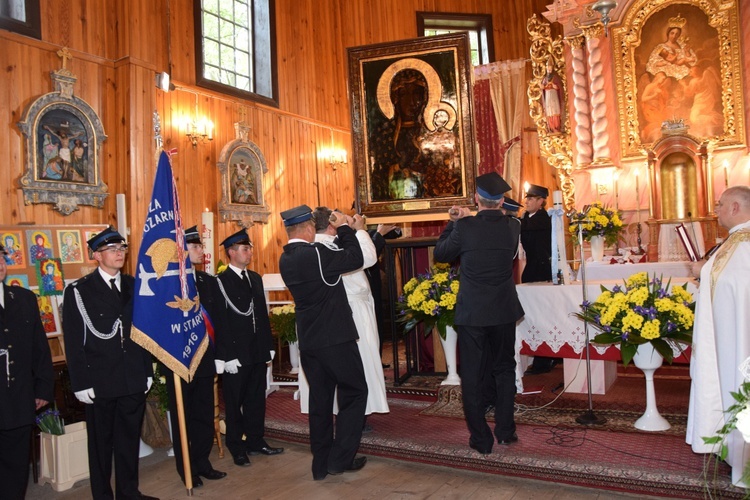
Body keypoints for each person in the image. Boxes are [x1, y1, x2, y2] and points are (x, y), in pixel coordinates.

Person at [62, 227, 158, 500]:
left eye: (122, 249)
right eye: (113, 250)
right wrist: (80, 382)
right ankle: (102, 495)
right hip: (100, 380)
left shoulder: (134, 284)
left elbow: (141, 331)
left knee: (128, 441)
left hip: (132, 377)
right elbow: (74, 340)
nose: (120, 254)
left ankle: (129, 492)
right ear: (96, 255)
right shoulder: (80, 291)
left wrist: (145, 368)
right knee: (101, 445)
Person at [433, 172, 525, 455]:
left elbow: (441, 254)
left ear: (476, 198)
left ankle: (481, 438)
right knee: (504, 368)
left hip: (473, 310)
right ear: (501, 201)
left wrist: (453, 222)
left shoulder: (465, 227)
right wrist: (466, 219)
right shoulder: (513, 226)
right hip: (503, 308)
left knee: (472, 374)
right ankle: (506, 432)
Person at [278, 204, 368, 480]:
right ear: (307, 229)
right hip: (336, 339)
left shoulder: (285, 258)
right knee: (354, 392)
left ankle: (320, 464)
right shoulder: (316, 254)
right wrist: (343, 226)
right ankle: (339, 459)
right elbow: (355, 258)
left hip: (310, 341)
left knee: (320, 401)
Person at [686, 185, 750, 487]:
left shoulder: (743, 242)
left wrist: (703, 270)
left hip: (739, 340)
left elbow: (731, 280)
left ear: (736, 207)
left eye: (721, 205)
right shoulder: (736, 241)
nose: (717, 210)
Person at [160, 225, 226, 488]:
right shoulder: (166, 285)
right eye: (196, 246)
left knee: (202, 416)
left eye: (200, 246)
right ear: (181, 251)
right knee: (182, 417)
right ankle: (186, 468)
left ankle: (202, 462)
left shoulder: (207, 282)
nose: (201, 251)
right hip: (179, 361)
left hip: (204, 359)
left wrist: (219, 354)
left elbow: (218, 321)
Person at [309, 207, 389, 422]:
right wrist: (360, 230)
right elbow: (367, 258)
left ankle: (347, 413)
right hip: (353, 311)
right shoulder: (332, 246)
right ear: (331, 225)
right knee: (360, 361)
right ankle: (357, 415)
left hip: (337, 312)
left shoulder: (312, 247)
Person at [215, 229, 282, 467]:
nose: (250, 253)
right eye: (245, 249)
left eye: (250, 248)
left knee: (256, 399)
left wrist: (268, 346)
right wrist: (226, 356)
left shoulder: (254, 277)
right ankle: (236, 444)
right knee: (234, 402)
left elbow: (261, 316)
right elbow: (220, 321)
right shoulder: (221, 282)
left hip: (256, 350)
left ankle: (256, 440)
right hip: (236, 354)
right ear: (231, 252)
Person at [0, 243, 54, 500]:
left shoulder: (23, 299)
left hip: (19, 399)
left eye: (1, 258)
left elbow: (40, 348)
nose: (0, 264)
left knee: (16, 467)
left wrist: (43, 387)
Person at [520, 184, 557, 376]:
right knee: (532, 316)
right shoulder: (526, 217)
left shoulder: (543, 219)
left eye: (532, 199)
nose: (526, 201)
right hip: (531, 269)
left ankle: (545, 360)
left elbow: (528, 232)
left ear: (541, 201)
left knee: (543, 315)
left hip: (542, 271)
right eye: (526, 198)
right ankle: (538, 355)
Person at [365, 224, 400, 366]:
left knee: (377, 324)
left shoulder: (366, 231)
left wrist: (394, 227)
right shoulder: (342, 238)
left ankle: (377, 362)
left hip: (374, 285)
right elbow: (366, 256)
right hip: (361, 290)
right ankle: (371, 364)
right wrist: (379, 234)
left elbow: (393, 234)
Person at [541, 57, 564, 134]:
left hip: (554, 95)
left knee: (555, 109)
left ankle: (557, 127)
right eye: (548, 69)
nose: (549, 71)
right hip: (547, 95)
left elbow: (559, 86)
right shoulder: (544, 79)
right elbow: (543, 88)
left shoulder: (555, 77)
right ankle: (551, 127)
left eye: (550, 69)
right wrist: (542, 87)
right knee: (549, 110)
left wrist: (555, 86)